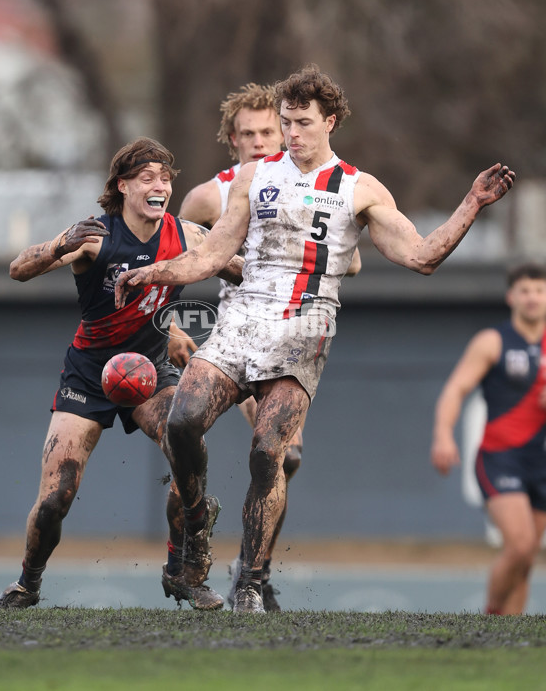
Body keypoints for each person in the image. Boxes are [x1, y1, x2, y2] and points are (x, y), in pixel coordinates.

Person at [115, 64, 516, 613]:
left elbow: (421, 257)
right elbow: (211, 254)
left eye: (301, 122)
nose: (291, 133)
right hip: (243, 320)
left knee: (267, 454)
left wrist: (471, 203)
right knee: (183, 420)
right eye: (286, 122)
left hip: (306, 328)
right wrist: (153, 273)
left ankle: (251, 582)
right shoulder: (254, 179)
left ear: (330, 121)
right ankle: (197, 523)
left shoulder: (359, 187)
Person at [0, 136, 242, 611]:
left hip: (150, 370)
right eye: (147, 178)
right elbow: (18, 268)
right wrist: (59, 245)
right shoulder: (95, 236)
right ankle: (27, 583)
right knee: (55, 497)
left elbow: (239, 270)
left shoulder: (188, 235)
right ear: (122, 186)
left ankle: (181, 568)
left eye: (165, 178)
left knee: (190, 453)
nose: (159, 185)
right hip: (88, 374)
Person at [179, 82, 362, 610]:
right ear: (231, 139)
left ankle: (252, 572)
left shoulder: (310, 184)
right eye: (250, 133)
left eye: (270, 130)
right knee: (187, 432)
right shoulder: (210, 195)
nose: (264, 141)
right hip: (233, 335)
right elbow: (181, 255)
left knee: (283, 457)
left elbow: (350, 259)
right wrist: (173, 326)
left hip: (286, 336)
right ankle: (189, 550)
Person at [431, 263, 546, 615]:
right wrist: (443, 436)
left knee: (524, 560)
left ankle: (507, 643)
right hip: (500, 457)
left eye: (540, 291)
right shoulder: (492, 341)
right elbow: (456, 389)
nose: (533, 298)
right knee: (522, 545)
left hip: (540, 461)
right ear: (512, 297)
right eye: (525, 291)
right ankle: (492, 617)